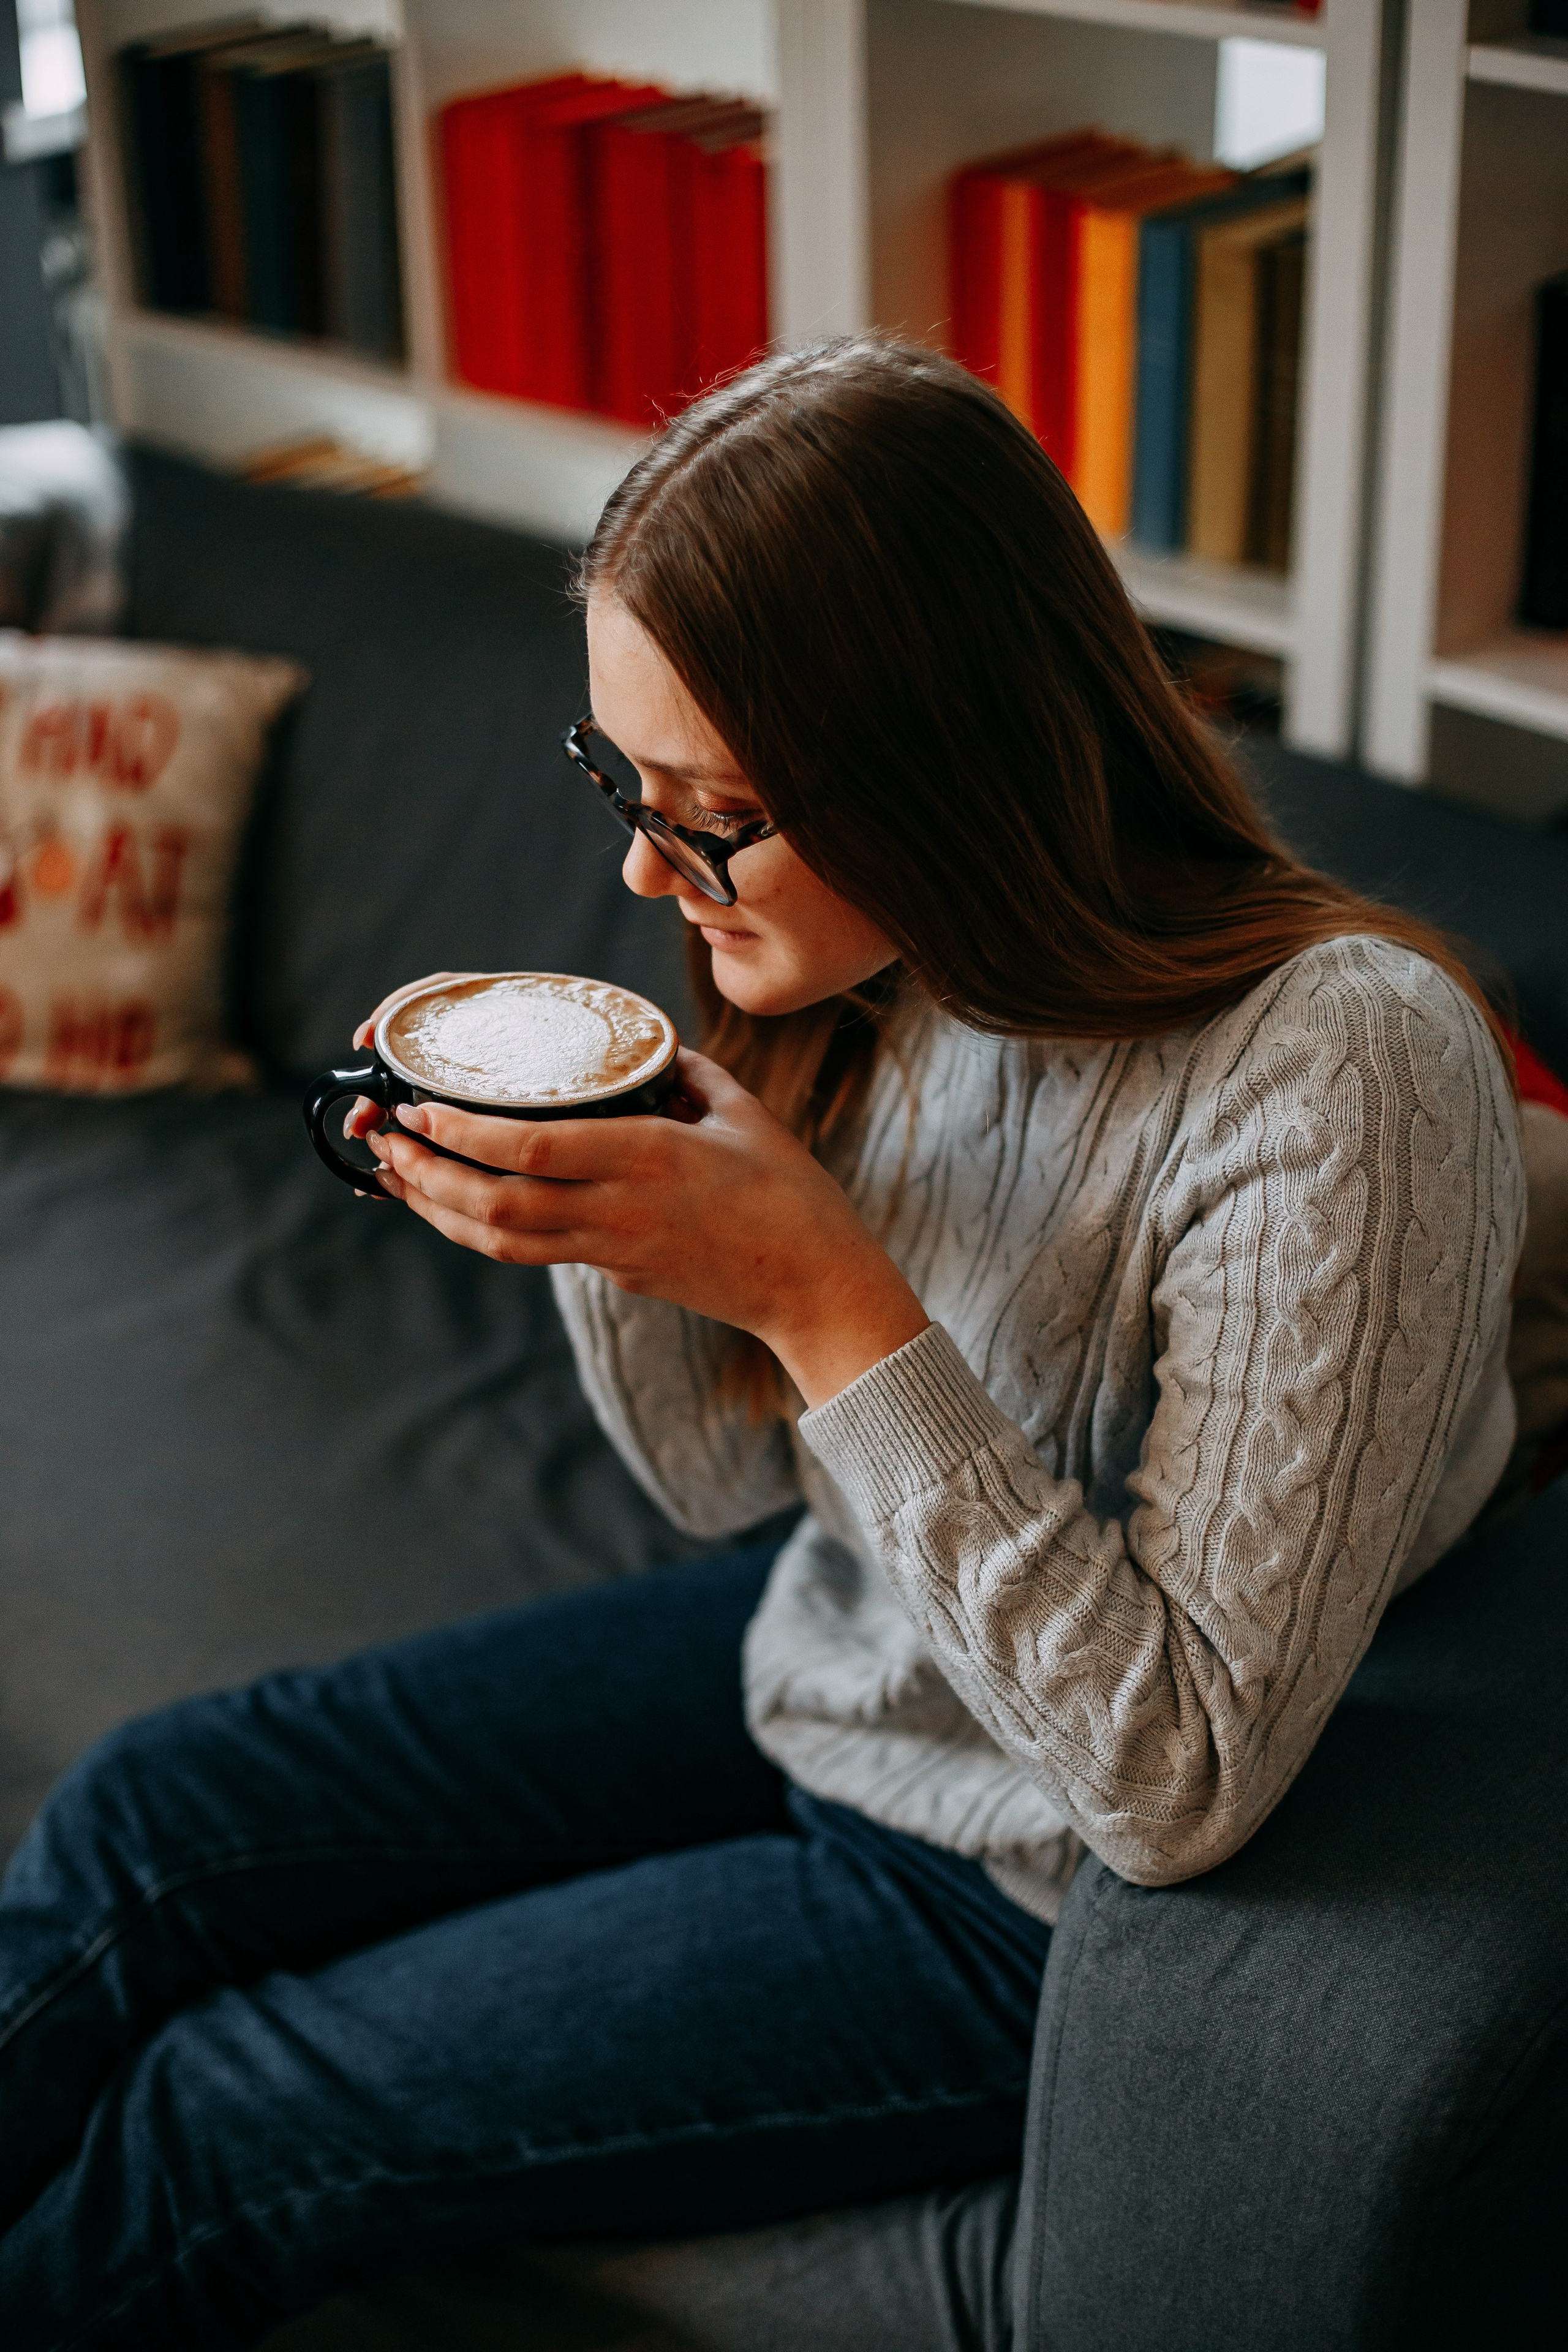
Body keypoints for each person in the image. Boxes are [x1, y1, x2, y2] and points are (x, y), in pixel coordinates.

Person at [0, 338, 1524, 2346]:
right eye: (623, 785)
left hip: (1014, 1874)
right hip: (837, 1654)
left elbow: (1173, 1783)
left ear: (953, 771)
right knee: (145, 1820)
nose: (646, 867)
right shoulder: (857, 958)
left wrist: (827, 1294)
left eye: (709, 813)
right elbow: (724, 1488)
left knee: (225, 2115)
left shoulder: (1339, 1075)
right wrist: (606, 1219)